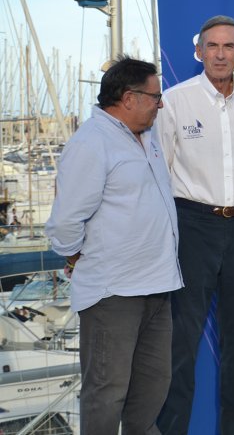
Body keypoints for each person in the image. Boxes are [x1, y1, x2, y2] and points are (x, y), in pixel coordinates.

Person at [45, 56, 182, 433]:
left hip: (158, 286)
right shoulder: (91, 143)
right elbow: (65, 222)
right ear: (128, 98)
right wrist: (78, 255)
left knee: (152, 390)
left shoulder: (147, 137)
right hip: (114, 292)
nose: (161, 103)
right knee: (107, 395)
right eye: (156, 96)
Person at [157, 15, 234, 435]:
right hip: (193, 228)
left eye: (229, 46)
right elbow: (161, 171)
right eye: (213, 46)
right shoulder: (174, 101)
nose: (221, 54)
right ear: (199, 51)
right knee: (181, 344)